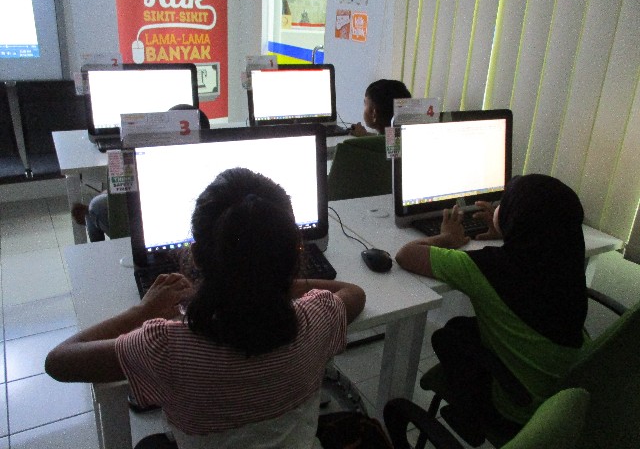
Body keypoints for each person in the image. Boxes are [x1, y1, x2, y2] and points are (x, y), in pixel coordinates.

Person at [46, 167, 366, 448]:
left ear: (197, 257)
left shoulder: (164, 347)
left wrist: (142, 311)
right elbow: (353, 293)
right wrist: (270, 282)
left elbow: (59, 361)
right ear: (295, 255)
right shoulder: (318, 318)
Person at [395, 174, 589, 441]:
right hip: (563, 393)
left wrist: (446, 237)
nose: (498, 206)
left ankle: (472, 417)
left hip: (518, 407)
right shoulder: (566, 262)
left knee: (450, 335)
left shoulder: (489, 269)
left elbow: (406, 255)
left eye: (505, 204)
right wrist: (507, 229)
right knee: (462, 327)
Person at [71, 105, 210, 242]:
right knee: (107, 199)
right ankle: (93, 216)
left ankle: (93, 223)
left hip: (150, 231)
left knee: (97, 206)